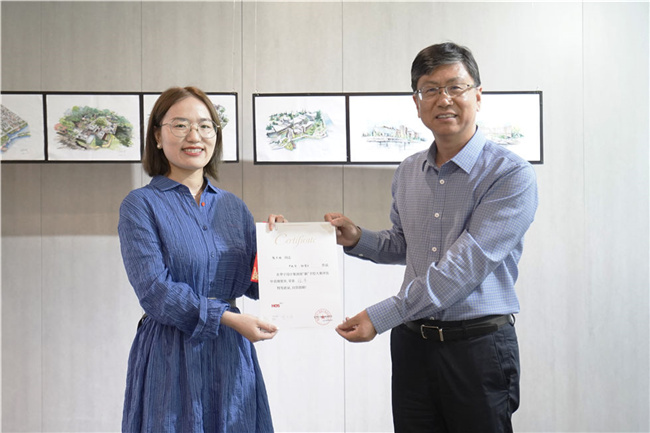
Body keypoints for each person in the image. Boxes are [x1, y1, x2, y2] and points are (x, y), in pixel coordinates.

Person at [271, 42, 538, 432]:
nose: (443, 99)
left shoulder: (510, 175)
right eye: (430, 89)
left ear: (478, 95)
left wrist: (381, 316)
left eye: (456, 87)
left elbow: (464, 269)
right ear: (417, 102)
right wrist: (356, 237)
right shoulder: (409, 170)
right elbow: (404, 244)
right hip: (413, 345)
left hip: (477, 349)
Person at [118, 86, 277, 432]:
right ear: (157, 135)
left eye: (205, 126)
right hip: (171, 350)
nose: (195, 136)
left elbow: (253, 283)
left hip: (230, 353)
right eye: (180, 125)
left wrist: (278, 248)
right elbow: (155, 291)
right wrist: (229, 319)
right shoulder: (140, 205)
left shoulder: (234, 207)